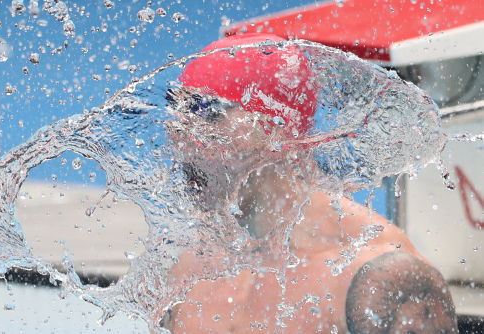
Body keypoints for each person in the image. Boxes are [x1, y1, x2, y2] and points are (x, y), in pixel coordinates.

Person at [162, 34, 458, 333]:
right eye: (175, 108)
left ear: (277, 129)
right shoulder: (191, 265)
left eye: (203, 111)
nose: (176, 131)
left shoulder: (376, 276)